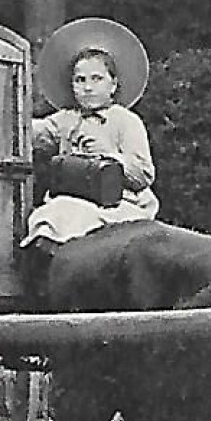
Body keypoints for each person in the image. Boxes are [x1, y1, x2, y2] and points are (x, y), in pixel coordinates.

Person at [17, 17, 159, 304]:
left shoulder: (125, 121)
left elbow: (144, 172)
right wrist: (14, 113)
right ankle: (45, 288)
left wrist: (110, 157)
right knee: (49, 215)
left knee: (67, 215)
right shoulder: (66, 120)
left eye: (97, 80)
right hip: (73, 198)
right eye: (80, 81)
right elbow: (30, 133)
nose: (88, 88)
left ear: (113, 84)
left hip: (118, 202)